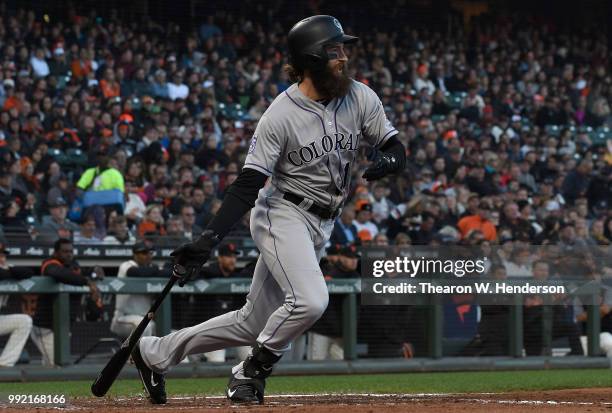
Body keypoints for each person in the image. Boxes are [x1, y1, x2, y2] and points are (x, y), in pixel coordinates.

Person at [132, 15, 406, 405]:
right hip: (283, 214)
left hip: (323, 222)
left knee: (252, 322)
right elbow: (247, 184)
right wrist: (208, 239)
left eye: (344, 48)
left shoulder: (360, 96)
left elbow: (395, 145)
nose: (344, 56)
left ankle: (154, 352)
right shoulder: (280, 114)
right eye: (335, 50)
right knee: (311, 300)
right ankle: (250, 371)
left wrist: (392, 160)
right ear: (312, 58)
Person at [29, 239, 104, 365]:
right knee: (57, 363)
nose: (68, 254)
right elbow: (60, 274)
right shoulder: (49, 263)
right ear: (56, 252)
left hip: (63, 327)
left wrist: (95, 270)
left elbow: (84, 272)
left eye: (70, 251)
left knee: (51, 364)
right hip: (45, 328)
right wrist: (86, 281)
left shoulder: (74, 265)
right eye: (64, 251)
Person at [110, 242, 170, 338]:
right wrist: (157, 270)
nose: (146, 256)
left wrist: (156, 269)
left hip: (144, 318)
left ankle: (135, 353)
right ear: (135, 255)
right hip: (123, 318)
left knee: (165, 331)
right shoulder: (126, 265)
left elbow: (168, 273)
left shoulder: (151, 268)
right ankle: (139, 353)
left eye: (148, 253)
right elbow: (135, 272)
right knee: (145, 326)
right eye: (143, 253)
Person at [0, 244, 33, 367]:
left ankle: (4, 364)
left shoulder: (7, 269)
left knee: (24, 321)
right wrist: (8, 272)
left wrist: (8, 270)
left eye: (3, 255)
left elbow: (28, 272)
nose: (2, 259)